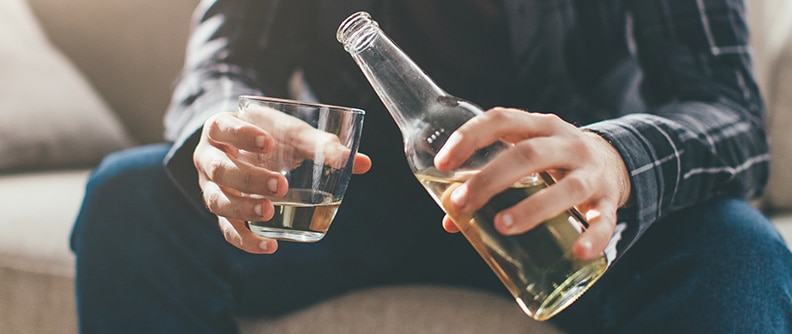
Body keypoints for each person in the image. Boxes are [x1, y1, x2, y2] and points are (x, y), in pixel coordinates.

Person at [71, 0, 792, 333]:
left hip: (580, 201)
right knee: (130, 201)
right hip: (360, 191)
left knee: (735, 253)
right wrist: (222, 131)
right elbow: (226, 63)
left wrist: (615, 156)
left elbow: (724, 106)